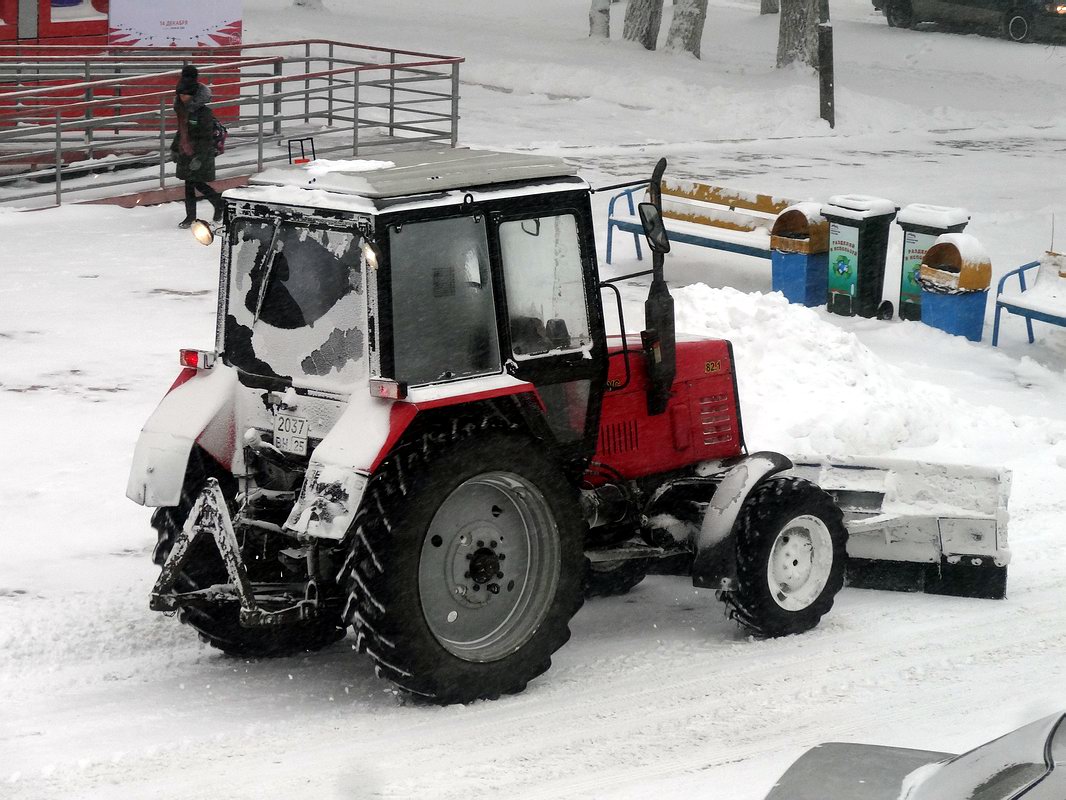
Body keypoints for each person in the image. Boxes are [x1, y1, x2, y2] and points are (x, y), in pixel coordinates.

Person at [171, 65, 224, 229]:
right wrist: (175, 147)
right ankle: (191, 216)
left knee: (198, 184)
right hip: (186, 152)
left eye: (186, 94)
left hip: (200, 153)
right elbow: (181, 130)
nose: (182, 97)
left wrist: (199, 158)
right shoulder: (183, 110)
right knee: (189, 186)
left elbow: (205, 138)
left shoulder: (203, 113)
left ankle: (219, 204)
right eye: (180, 94)